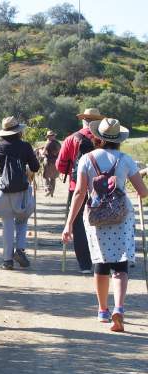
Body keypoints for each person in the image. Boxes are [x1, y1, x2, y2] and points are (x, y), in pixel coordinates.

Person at [62, 118, 148, 332]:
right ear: (119, 139)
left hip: (96, 216)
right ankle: (119, 308)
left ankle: (103, 310)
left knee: (100, 263)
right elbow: (143, 191)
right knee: (120, 265)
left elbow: (80, 193)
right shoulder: (126, 159)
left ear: (98, 138)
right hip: (121, 216)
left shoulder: (87, 159)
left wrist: (69, 223)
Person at [56, 108, 106, 274]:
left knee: (78, 224)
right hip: (103, 188)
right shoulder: (105, 139)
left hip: (77, 187)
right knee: (102, 221)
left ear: (83, 120)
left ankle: (84, 264)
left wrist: (71, 171)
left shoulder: (71, 139)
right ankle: (100, 259)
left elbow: (60, 165)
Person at [0, 117, 40, 270]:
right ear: (19, 132)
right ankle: (20, 250)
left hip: (3, 190)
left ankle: (7, 260)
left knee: (7, 225)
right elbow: (35, 167)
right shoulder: (25, 146)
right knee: (22, 221)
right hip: (21, 190)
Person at [41, 131, 61, 197]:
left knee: (46, 177)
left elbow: (43, 153)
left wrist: (41, 151)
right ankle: (52, 193)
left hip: (48, 162)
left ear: (49, 136)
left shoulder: (48, 143)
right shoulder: (58, 143)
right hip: (56, 162)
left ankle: (49, 189)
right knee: (53, 178)